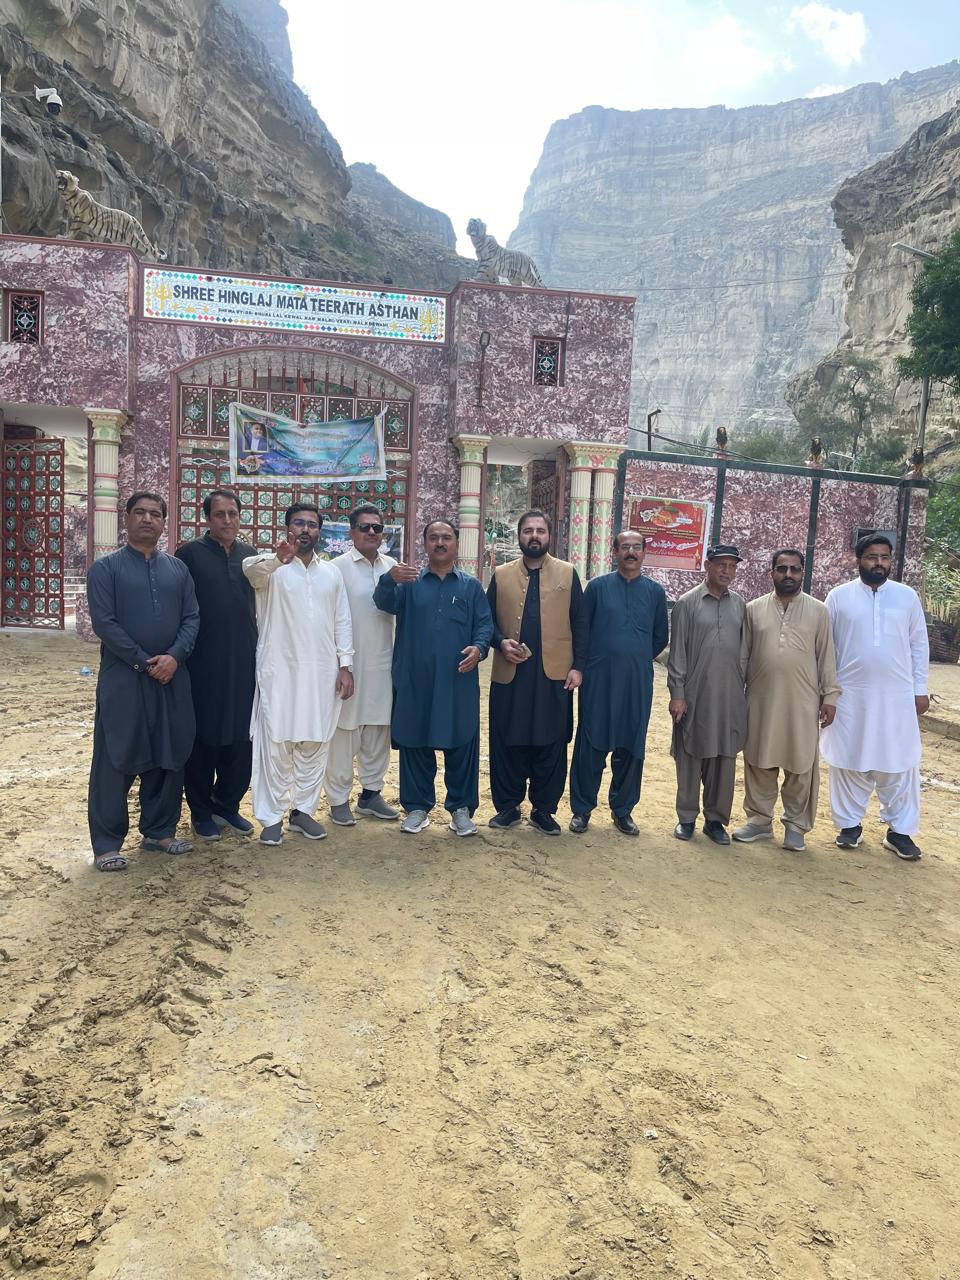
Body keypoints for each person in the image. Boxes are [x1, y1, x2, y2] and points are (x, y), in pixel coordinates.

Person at [86, 492, 199, 871]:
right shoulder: (106, 569)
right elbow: (105, 623)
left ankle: (159, 831)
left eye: (155, 514)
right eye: (140, 513)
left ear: (164, 521)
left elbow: (192, 618)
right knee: (116, 756)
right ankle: (106, 844)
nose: (147, 519)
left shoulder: (178, 570)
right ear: (127, 518)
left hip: (172, 676)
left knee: (169, 753)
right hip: (124, 679)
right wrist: (143, 661)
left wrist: (175, 656)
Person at [243, 503, 354, 846]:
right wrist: (278, 559)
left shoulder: (331, 573)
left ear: (320, 531)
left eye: (312, 524)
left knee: (316, 742)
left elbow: (342, 620)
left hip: (322, 672)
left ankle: (303, 811)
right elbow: (251, 573)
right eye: (298, 523)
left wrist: (345, 666)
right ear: (287, 528)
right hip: (279, 672)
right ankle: (271, 817)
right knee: (276, 743)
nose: (305, 529)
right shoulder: (270, 567)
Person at [374, 519, 493, 837]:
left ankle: (461, 809)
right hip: (415, 679)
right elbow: (383, 602)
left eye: (446, 537)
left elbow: (485, 625)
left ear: (456, 543)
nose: (440, 543)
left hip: (457, 681)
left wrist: (479, 648)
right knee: (415, 741)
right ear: (425, 543)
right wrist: (388, 579)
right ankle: (417, 807)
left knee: (462, 741)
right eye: (434, 538)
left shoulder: (470, 587)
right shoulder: (409, 583)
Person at [819, 534, 930, 861]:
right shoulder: (838, 597)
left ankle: (900, 832)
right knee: (848, 758)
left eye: (884, 557)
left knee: (899, 760)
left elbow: (919, 644)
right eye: (872, 557)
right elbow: (826, 648)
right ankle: (849, 826)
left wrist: (920, 689)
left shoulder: (907, 597)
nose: (879, 563)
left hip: (897, 696)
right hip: (850, 695)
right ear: (858, 560)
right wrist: (827, 692)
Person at [486, 510, 587, 836]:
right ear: (519, 536)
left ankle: (544, 810)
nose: (534, 536)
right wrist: (500, 642)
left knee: (551, 741)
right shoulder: (501, 575)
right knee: (507, 739)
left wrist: (578, 666)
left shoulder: (568, 573)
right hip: (510, 675)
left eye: (540, 530)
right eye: (528, 530)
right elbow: (485, 622)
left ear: (549, 536)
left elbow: (581, 623)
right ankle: (508, 807)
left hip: (553, 677)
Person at [733, 549, 840, 852]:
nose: (788, 574)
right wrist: (736, 696)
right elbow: (742, 657)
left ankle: (796, 826)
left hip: (803, 702)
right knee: (758, 760)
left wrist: (830, 696)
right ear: (772, 573)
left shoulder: (818, 611)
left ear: (802, 573)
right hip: (761, 700)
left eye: (794, 569)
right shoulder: (753, 609)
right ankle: (759, 822)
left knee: (801, 764)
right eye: (782, 569)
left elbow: (826, 656)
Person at [569, 531, 668, 836]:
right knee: (591, 743)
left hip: (636, 682)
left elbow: (659, 637)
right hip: (599, 679)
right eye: (625, 547)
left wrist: (633, 657)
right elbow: (582, 631)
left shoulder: (655, 592)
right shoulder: (597, 588)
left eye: (637, 547)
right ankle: (582, 809)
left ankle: (623, 810)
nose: (631, 552)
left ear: (644, 553)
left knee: (631, 744)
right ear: (614, 552)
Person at [175, 490, 257, 840]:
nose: (227, 520)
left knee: (241, 737)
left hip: (244, 660)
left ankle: (227, 805)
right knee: (205, 736)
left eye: (232, 513)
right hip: (203, 662)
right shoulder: (189, 555)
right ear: (207, 518)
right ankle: (201, 811)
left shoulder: (250, 556)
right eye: (219, 514)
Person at [667, 544, 747, 845]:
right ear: (708, 566)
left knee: (724, 757)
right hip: (695, 693)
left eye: (732, 566)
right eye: (721, 565)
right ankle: (686, 818)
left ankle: (716, 821)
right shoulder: (687, 603)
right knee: (690, 753)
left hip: (729, 695)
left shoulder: (740, 605)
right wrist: (677, 694)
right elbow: (677, 653)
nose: (727, 571)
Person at [325, 504, 399, 825]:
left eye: (377, 528)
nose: (371, 532)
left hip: (384, 665)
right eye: (364, 527)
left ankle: (370, 794)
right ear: (351, 532)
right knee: (344, 733)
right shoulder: (335, 569)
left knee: (378, 730)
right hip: (348, 666)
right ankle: (338, 799)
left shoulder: (393, 568)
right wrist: (341, 664)